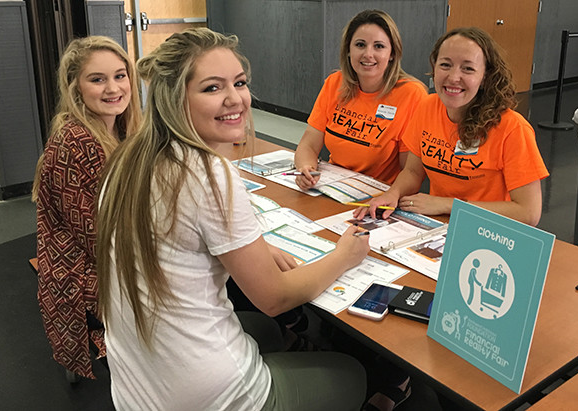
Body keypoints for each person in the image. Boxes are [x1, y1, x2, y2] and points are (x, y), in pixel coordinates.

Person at [96, 28, 371, 410]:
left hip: (138, 387)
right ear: (175, 98)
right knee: (352, 375)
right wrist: (345, 255)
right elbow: (275, 297)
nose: (235, 99)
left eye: (239, 83)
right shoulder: (207, 174)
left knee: (265, 333)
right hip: (208, 396)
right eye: (212, 88)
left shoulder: (128, 159)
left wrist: (256, 249)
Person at [356, 27, 549, 226]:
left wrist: (448, 205)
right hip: (437, 224)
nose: (454, 77)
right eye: (445, 65)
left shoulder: (513, 129)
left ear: (485, 77)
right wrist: (392, 194)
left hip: (488, 230)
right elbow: (413, 172)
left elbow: (528, 213)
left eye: (468, 68)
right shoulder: (427, 107)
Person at [32, 36, 141, 379]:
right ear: (75, 87)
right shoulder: (73, 142)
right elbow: (96, 239)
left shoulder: (123, 130)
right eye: (98, 79)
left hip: (110, 252)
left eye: (120, 76)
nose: (113, 88)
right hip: (82, 274)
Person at [294, 9, 427, 190]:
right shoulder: (335, 83)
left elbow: (410, 171)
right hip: (332, 187)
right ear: (348, 50)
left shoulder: (411, 94)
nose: (368, 54)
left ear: (392, 54)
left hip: (377, 196)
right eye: (360, 45)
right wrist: (306, 169)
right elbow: (309, 144)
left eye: (379, 46)